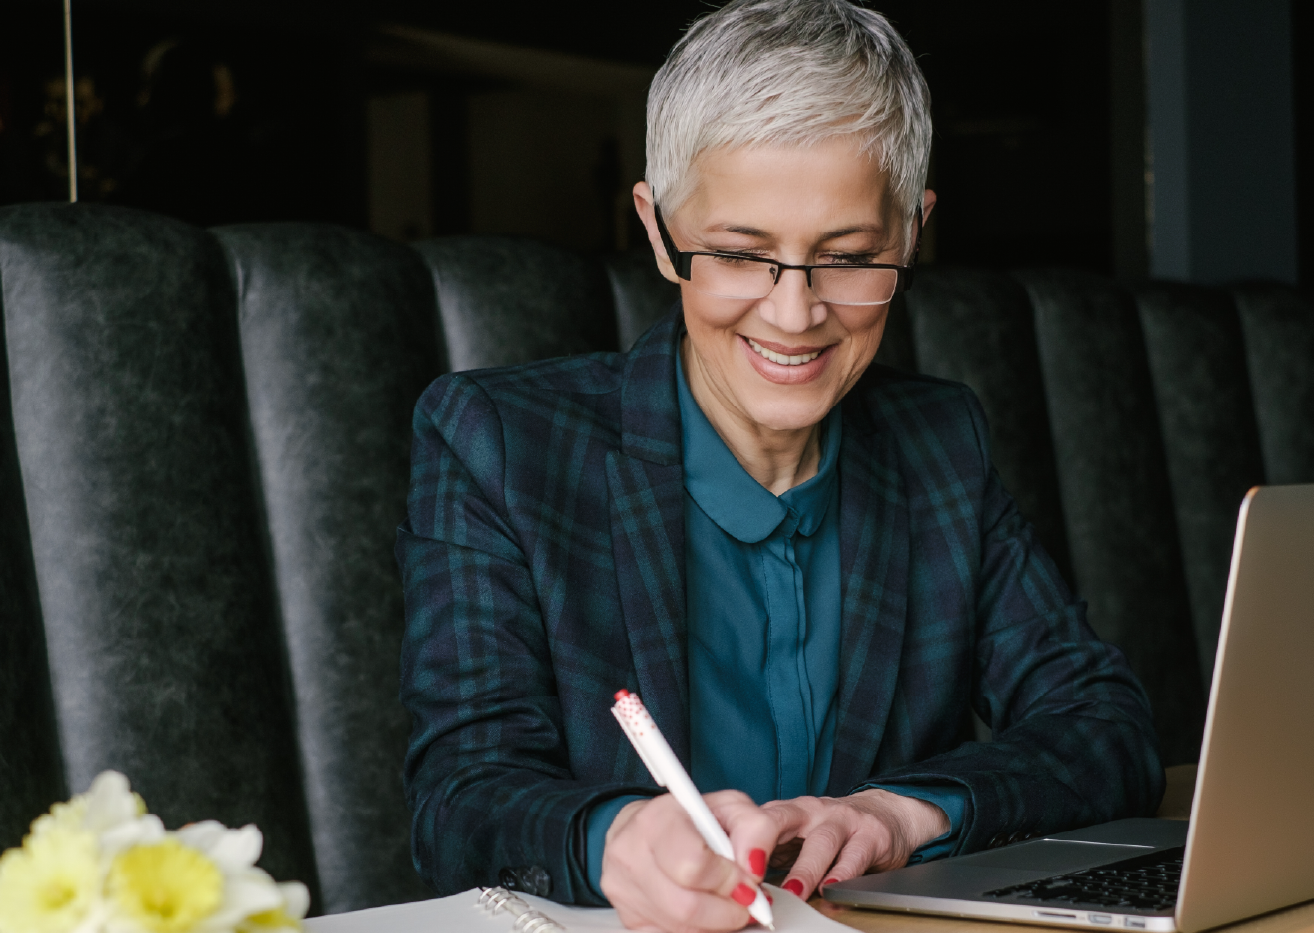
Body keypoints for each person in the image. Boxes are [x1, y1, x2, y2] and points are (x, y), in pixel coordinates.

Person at [397, 1, 1163, 930]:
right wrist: (615, 838)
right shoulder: (496, 442)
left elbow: (1106, 726)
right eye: (738, 254)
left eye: (848, 257)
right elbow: (457, 796)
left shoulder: (941, 444)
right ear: (656, 228)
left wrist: (899, 813)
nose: (794, 315)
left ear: (913, 232)